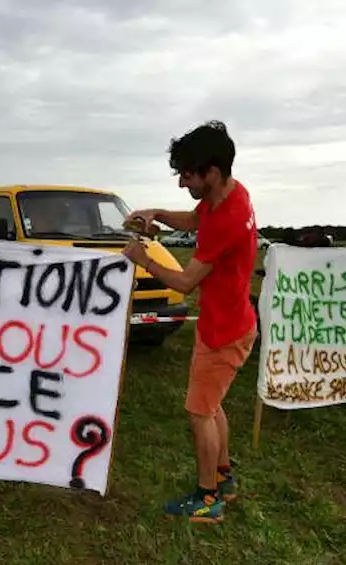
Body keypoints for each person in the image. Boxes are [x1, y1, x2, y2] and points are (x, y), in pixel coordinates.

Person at [122, 121, 258, 524]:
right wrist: (158, 215)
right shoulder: (230, 195)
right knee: (212, 406)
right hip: (231, 322)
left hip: (223, 332)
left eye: (187, 174)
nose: (183, 183)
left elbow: (183, 282)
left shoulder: (226, 220)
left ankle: (207, 498)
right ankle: (224, 477)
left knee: (199, 411)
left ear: (211, 173)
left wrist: (143, 257)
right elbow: (195, 220)